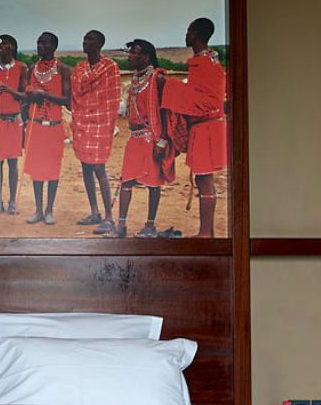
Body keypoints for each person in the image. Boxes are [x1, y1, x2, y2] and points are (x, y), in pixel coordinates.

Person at [96, 37, 176, 239]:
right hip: (135, 137)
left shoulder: (158, 78)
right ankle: (121, 226)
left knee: (153, 183)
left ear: (146, 57)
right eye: (130, 52)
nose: (130, 56)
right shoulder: (134, 80)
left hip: (152, 137)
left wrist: (162, 141)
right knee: (126, 181)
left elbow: (166, 112)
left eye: (134, 52)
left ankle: (150, 226)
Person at [161, 17, 228, 237]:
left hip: (207, 127)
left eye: (189, 31)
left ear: (196, 33)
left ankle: (205, 233)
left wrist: (169, 86)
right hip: (206, 126)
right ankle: (207, 232)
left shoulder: (205, 65)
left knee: (204, 179)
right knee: (202, 178)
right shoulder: (206, 62)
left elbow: (206, 100)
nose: (186, 35)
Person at [69, 28, 121, 227]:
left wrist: (106, 122)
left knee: (99, 168)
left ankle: (109, 217)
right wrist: (80, 115)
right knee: (85, 167)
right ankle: (94, 212)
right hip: (82, 122)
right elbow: (75, 95)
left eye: (90, 39)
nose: (85, 42)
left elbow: (112, 98)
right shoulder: (79, 67)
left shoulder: (110, 67)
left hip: (101, 123)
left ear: (99, 44)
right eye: (84, 38)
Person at [21, 31, 71, 225]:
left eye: (44, 43)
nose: (40, 46)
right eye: (38, 43)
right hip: (35, 127)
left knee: (52, 170)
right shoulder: (32, 69)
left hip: (54, 127)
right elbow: (26, 94)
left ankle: (50, 210)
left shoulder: (63, 69)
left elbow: (67, 100)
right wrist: (30, 93)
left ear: (53, 46)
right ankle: (38, 210)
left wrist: (44, 94)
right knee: (36, 170)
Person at [0, 33, 28, 215]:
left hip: (13, 120)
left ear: (12, 46)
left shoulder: (21, 67)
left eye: (3, 44)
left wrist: (11, 91)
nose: (0, 47)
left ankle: (12, 201)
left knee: (12, 161)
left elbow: (25, 95)